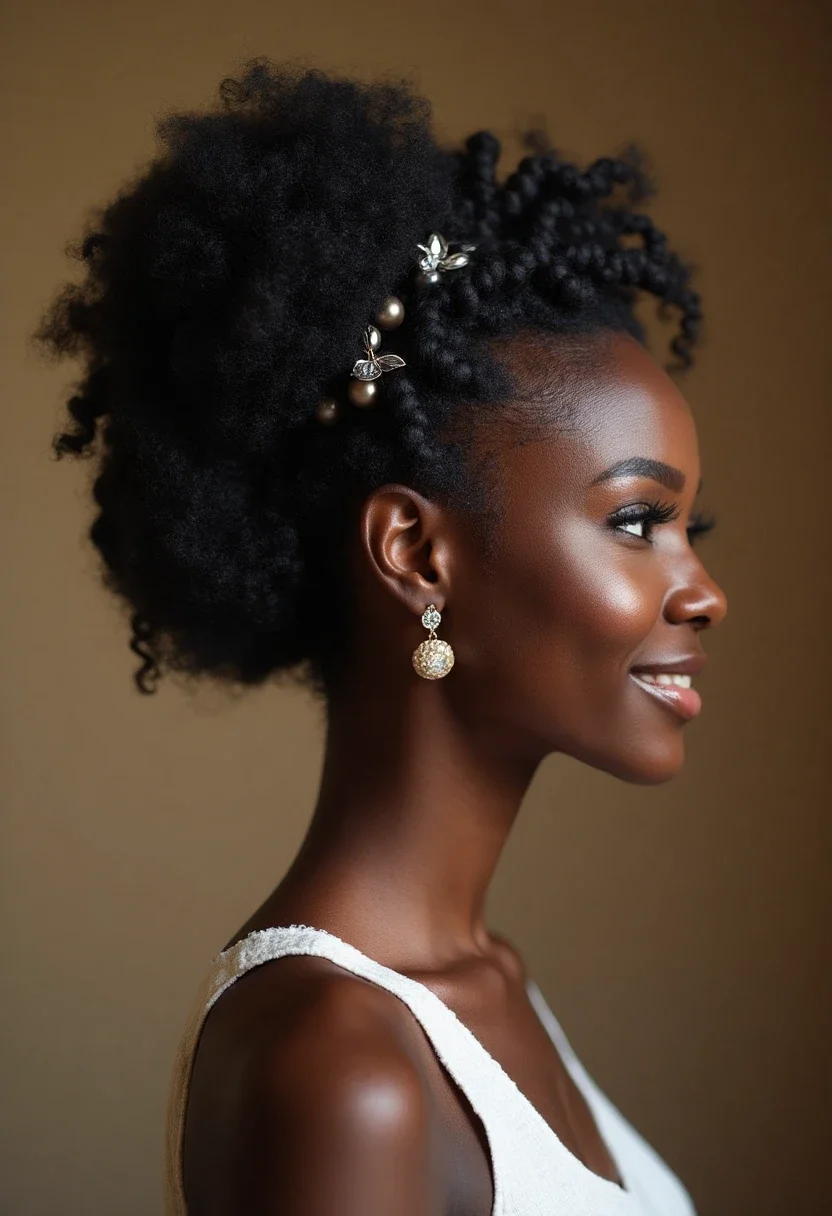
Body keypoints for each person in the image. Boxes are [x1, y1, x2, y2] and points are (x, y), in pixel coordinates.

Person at [35, 57, 727, 1216]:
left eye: (687, 530)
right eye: (635, 521)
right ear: (416, 554)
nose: (704, 593)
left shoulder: (486, 984)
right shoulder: (340, 1068)